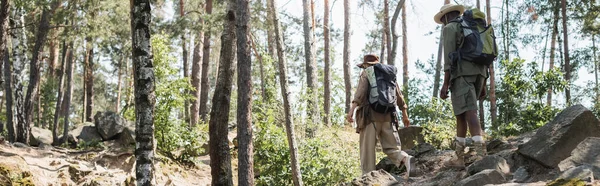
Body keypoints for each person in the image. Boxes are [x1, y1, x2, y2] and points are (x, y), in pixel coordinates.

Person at [434, 4, 489, 168]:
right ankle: (459, 157)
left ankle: (481, 155)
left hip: (462, 75)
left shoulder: (450, 28)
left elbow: (449, 58)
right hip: (480, 73)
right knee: (460, 113)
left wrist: (445, 83)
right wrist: (484, 82)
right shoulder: (473, 26)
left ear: (444, 17)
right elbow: (485, 55)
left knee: (470, 112)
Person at [346, 54, 415, 176]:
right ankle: (405, 158)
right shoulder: (388, 75)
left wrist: (351, 110)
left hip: (370, 118)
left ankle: (368, 177)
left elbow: (360, 92)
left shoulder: (367, 73)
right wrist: (404, 114)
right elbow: (398, 95)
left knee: (367, 152)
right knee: (392, 148)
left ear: (366, 65)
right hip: (389, 117)